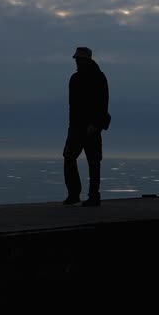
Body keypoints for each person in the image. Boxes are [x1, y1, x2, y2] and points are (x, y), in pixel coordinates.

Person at [62, 46, 110, 207]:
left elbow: (103, 103)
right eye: (76, 59)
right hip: (76, 126)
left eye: (79, 59)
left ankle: (94, 196)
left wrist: (95, 124)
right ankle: (74, 194)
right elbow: (72, 106)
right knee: (69, 158)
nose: (76, 61)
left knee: (93, 161)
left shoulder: (99, 77)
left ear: (86, 60)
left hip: (92, 128)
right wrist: (72, 126)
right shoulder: (74, 79)